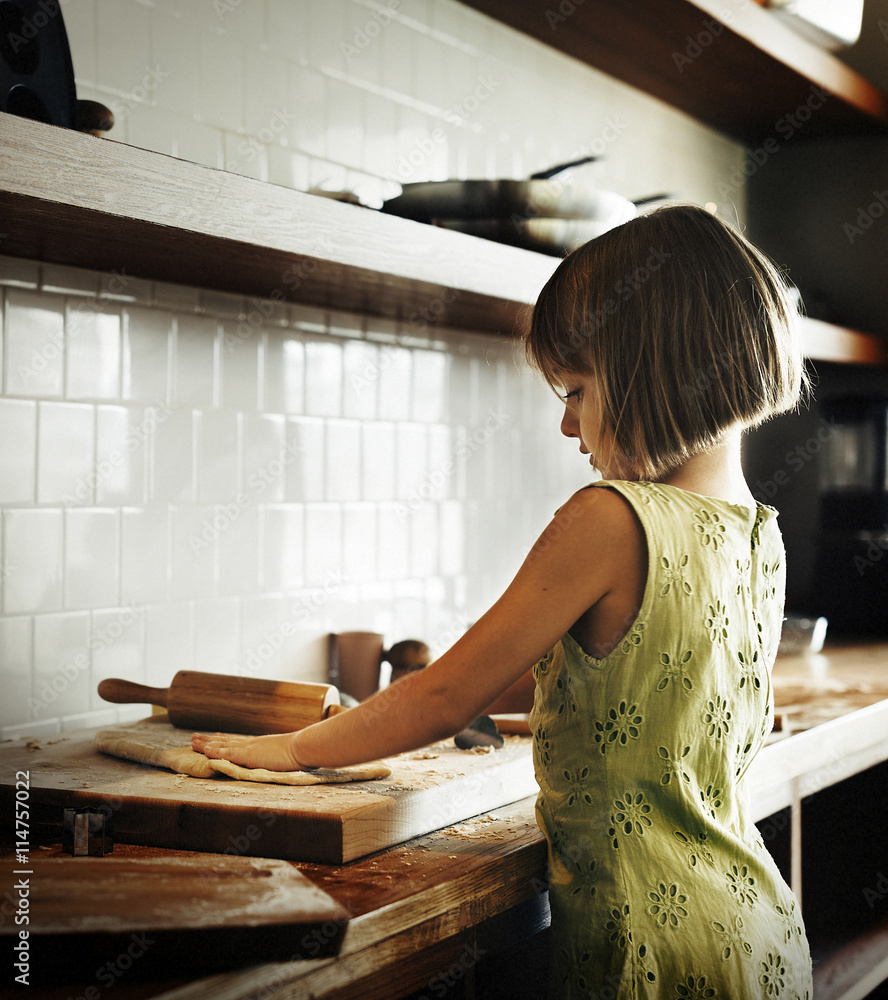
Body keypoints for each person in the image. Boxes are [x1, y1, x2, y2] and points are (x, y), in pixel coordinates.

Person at [193, 205, 814, 998]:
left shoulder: (611, 517)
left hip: (645, 948)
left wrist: (288, 751)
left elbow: (447, 695)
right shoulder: (759, 532)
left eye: (577, 389)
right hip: (750, 927)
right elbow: (642, 680)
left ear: (651, 372)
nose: (565, 424)